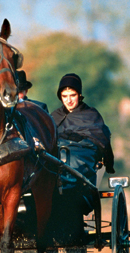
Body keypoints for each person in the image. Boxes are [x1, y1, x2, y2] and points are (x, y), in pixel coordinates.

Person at [51, 73, 115, 214]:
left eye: (72, 95)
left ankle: (75, 191)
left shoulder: (91, 115)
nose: (68, 100)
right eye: (64, 96)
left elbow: (100, 139)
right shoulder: (54, 116)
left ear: (79, 95)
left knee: (71, 160)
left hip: (81, 153)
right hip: (57, 154)